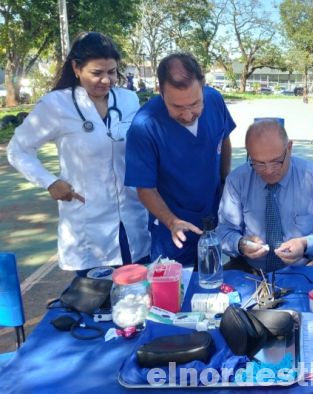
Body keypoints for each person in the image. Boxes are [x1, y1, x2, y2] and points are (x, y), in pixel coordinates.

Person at [7, 32, 150, 273]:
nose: (105, 80)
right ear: (76, 68)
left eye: (111, 72)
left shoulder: (128, 100)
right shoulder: (55, 105)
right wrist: (50, 182)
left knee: (140, 296)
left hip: (132, 220)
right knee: (97, 302)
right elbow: (18, 150)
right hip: (89, 226)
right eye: (96, 73)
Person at [125, 53, 235, 267]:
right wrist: (171, 221)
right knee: (175, 289)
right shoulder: (144, 126)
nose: (187, 115)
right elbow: (144, 187)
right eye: (176, 107)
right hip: (172, 226)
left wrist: (225, 182)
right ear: (160, 91)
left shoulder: (214, 100)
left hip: (212, 215)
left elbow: (224, 138)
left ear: (203, 86)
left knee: (211, 277)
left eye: (194, 104)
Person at [217, 120, 313, 272]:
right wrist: (240, 244)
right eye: (258, 163)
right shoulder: (237, 180)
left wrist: (305, 244)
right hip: (250, 271)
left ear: (289, 148)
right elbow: (223, 232)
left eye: (276, 162)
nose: (268, 170)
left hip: (303, 269)